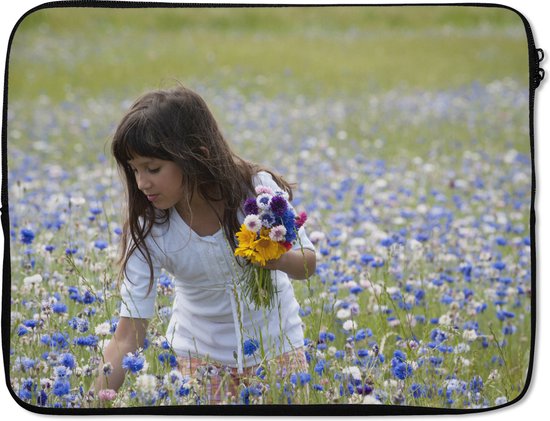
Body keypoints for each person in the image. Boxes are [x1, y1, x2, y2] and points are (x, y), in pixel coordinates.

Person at [93, 85, 316, 404]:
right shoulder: (149, 224)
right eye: (135, 170)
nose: (142, 183)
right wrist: (88, 404)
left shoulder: (255, 192)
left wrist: (274, 258)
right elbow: (128, 335)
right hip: (197, 356)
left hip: (276, 346)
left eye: (153, 169)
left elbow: (308, 263)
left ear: (195, 155)